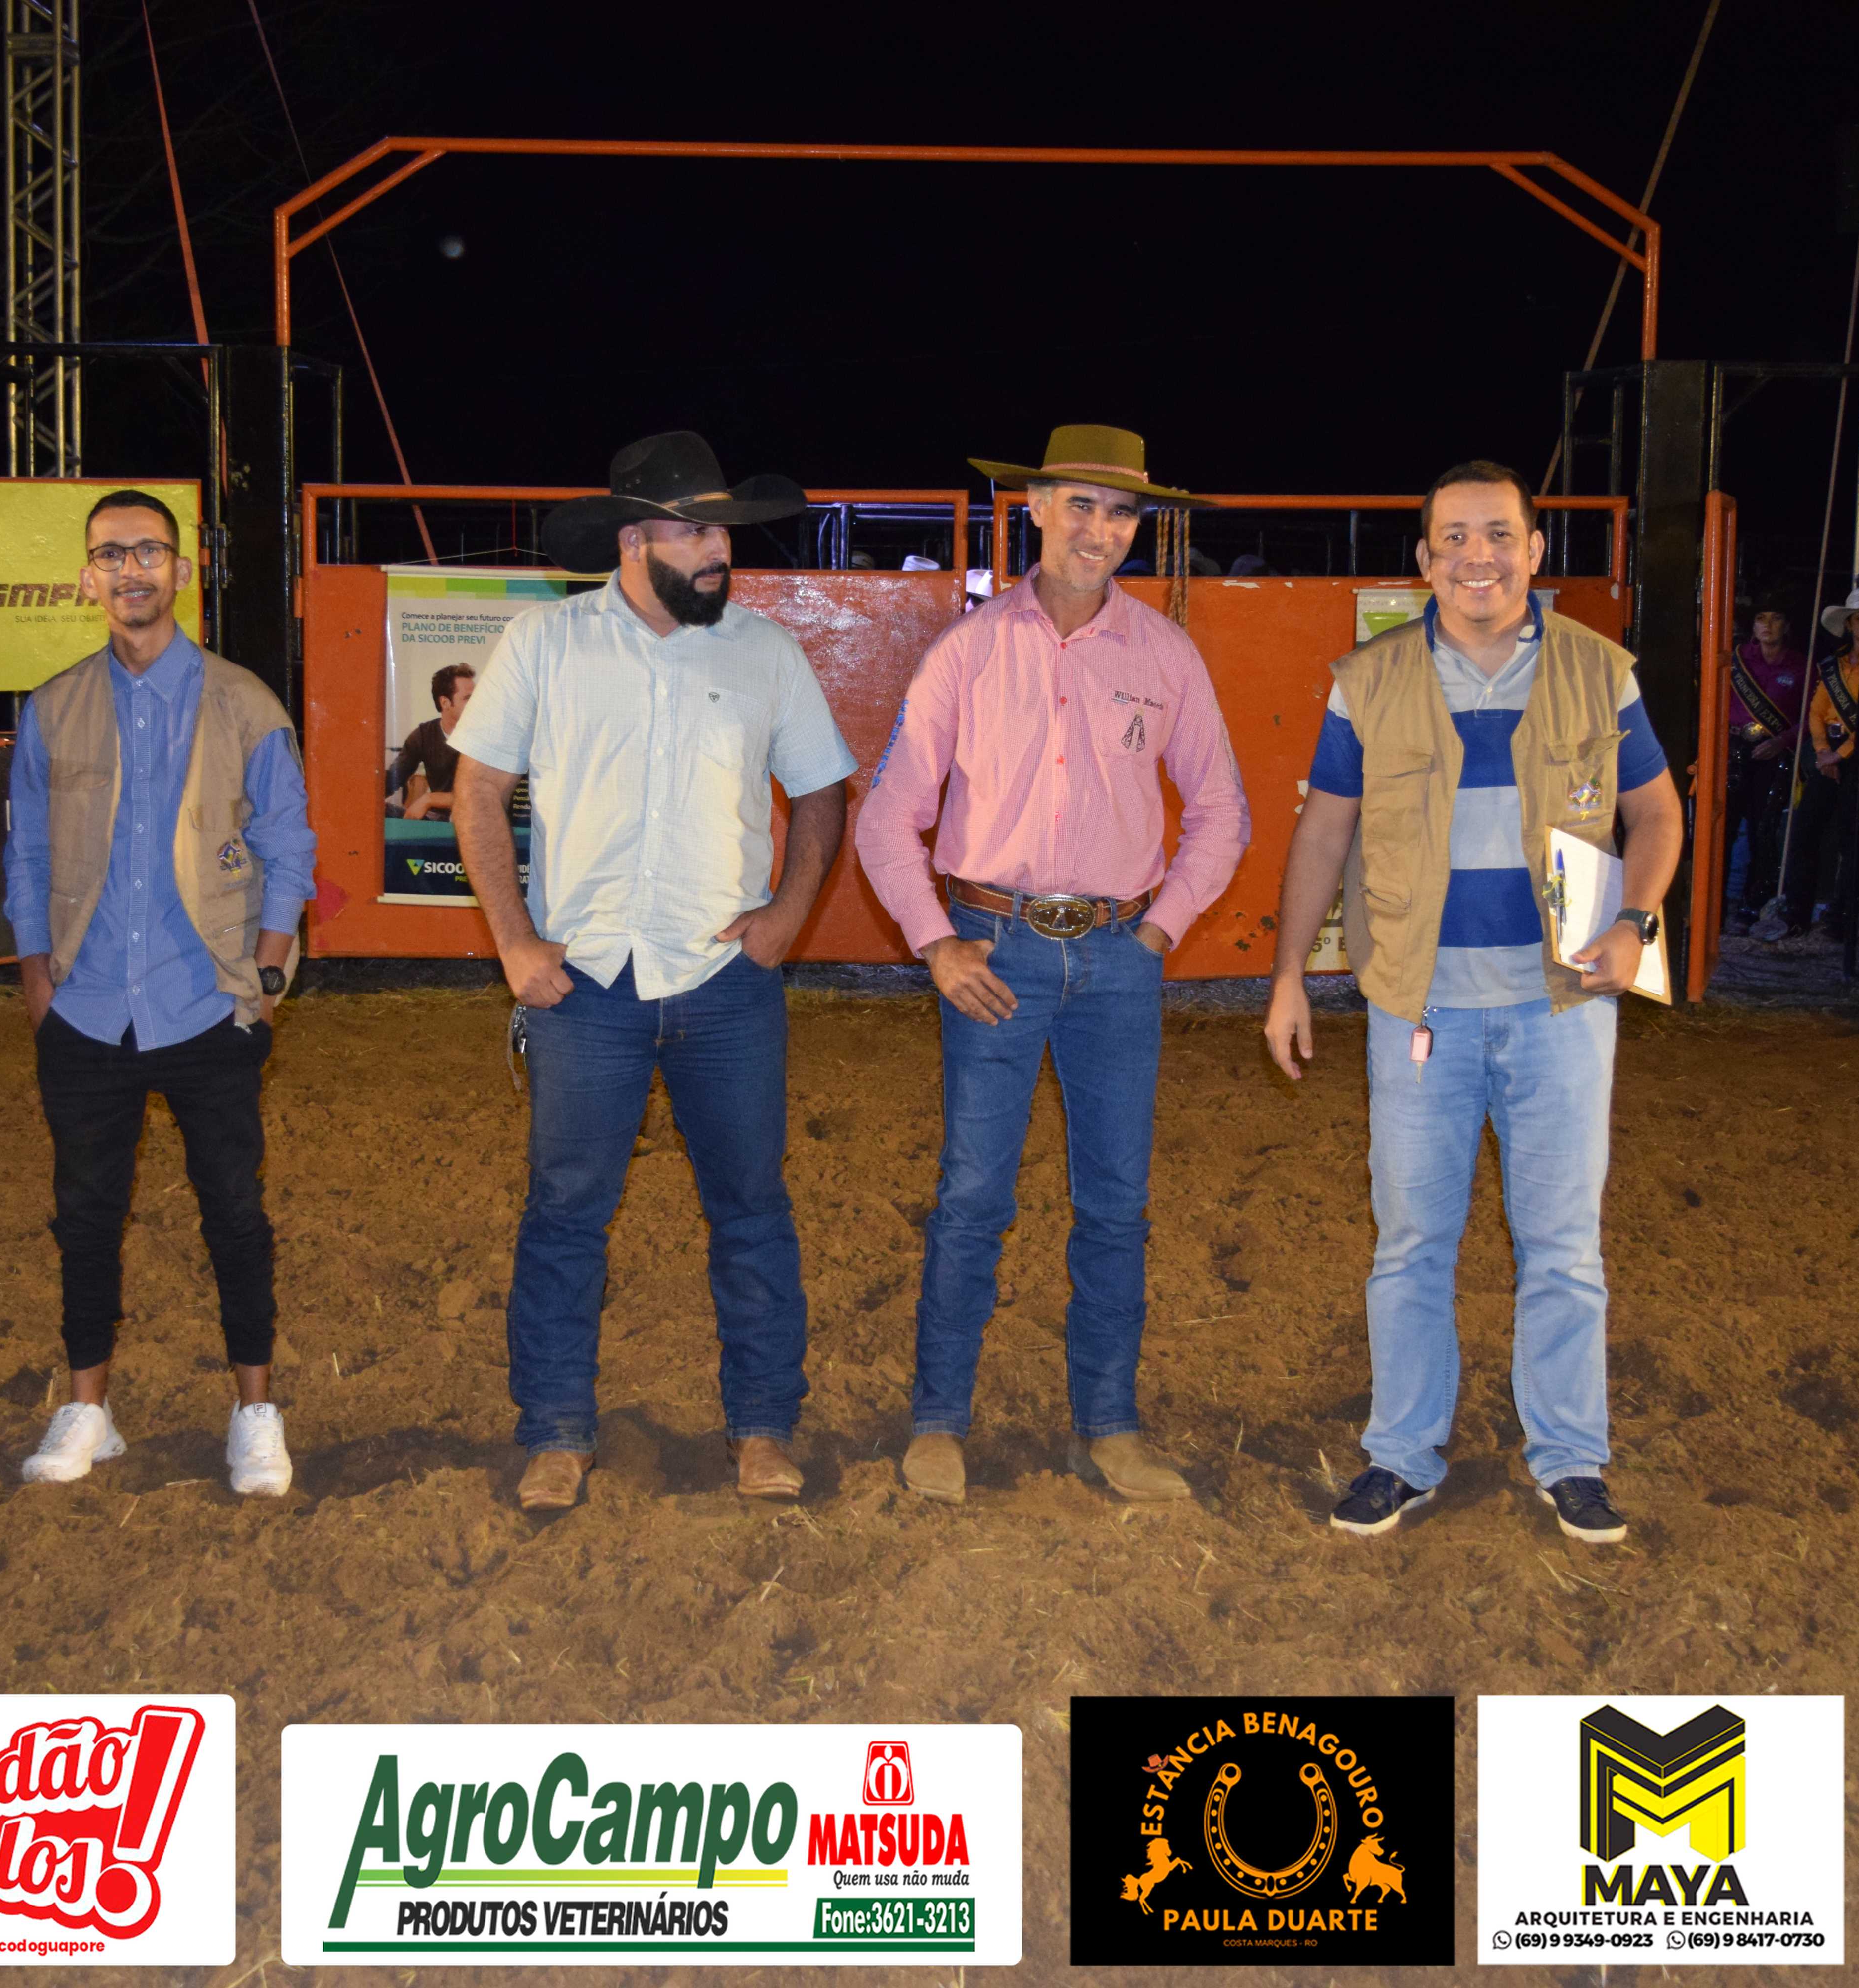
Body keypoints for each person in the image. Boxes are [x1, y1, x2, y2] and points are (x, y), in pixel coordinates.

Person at [1259, 461, 1681, 1547]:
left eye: (1498, 535)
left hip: (1561, 1009)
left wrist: (1636, 922)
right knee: (1410, 1241)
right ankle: (1401, 1453)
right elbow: (1324, 829)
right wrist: (1289, 973)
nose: (1476, 556)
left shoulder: (1600, 671)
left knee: (1564, 1245)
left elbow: (1657, 811)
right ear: (1424, 559)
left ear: (1535, 551)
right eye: (1453, 538)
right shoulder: (1368, 681)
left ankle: (1571, 1457)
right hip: (1419, 1008)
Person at [448, 431, 856, 1512]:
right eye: (698, 533)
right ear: (634, 542)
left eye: (725, 532)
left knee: (752, 1208)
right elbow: (476, 789)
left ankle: (762, 1428)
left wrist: (788, 914)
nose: (721, 551)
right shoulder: (546, 643)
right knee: (565, 1212)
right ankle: (555, 1431)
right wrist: (514, 940)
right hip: (585, 984)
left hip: (726, 980)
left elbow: (822, 789)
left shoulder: (766, 652)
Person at [857, 424, 1249, 1505]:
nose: (1100, 529)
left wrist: (1161, 931)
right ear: (1034, 507)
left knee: (1117, 1203)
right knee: (973, 1195)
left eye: (1121, 513)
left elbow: (1222, 808)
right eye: (1081, 504)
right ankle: (939, 1421)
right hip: (996, 950)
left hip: (1120, 955)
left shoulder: (1165, 655)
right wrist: (934, 939)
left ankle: (1110, 1426)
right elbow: (890, 812)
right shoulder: (969, 652)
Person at [3, 489, 317, 1498]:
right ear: (88, 577)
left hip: (209, 1004)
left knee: (235, 1212)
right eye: (111, 553)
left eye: (149, 551)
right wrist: (38, 977)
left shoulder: (245, 703)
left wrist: (267, 977)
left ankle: (255, 1413)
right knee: (85, 1215)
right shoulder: (53, 708)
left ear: (184, 570)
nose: (131, 568)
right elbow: (27, 852)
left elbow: (290, 846)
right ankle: (88, 1410)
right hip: (86, 1008)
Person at [1760, 586, 1859, 943]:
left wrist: (1841, 754)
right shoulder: (1833, 665)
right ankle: (1797, 916)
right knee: (1804, 831)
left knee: (1850, 838)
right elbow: (1816, 711)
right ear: (1849, 624)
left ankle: (1841, 920)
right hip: (1826, 754)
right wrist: (1823, 752)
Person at [1726, 608, 1804, 920]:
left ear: (1788, 625)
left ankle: (1754, 905)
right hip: (1732, 750)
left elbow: (1812, 716)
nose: (1768, 625)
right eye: (1761, 618)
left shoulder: (1802, 665)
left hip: (1775, 754)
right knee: (1725, 827)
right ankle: (1716, 905)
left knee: (1764, 830)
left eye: (1776, 618)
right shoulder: (1736, 659)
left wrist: (1782, 742)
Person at [389, 664, 473, 819]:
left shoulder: (484, 736)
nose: (476, 704)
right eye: (468, 698)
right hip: (437, 822)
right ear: (445, 703)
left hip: (477, 822)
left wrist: (430, 799)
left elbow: (480, 796)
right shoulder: (424, 735)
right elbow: (393, 779)